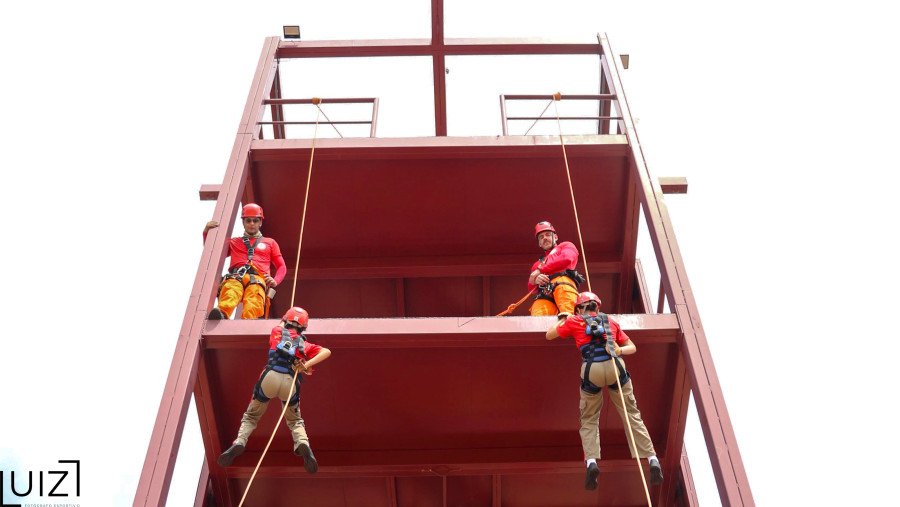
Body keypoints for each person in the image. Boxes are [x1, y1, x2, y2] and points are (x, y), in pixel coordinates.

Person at [546, 291, 663, 490]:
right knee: (631, 414)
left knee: (589, 418)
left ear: (580, 308)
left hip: (592, 369)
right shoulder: (611, 322)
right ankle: (652, 458)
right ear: (597, 306)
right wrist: (618, 350)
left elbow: (549, 335)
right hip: (616, 366)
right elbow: (632, 347)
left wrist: (563, 318)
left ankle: (591, 462)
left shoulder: (575, 321)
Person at [217, 306, 331, 473]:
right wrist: (305, 365)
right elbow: (326, 351)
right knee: (295, 421)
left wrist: (286, 318)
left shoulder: (276, 331)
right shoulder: (305, 345)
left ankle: (240, 441)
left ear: (286, 321)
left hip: (269, 377)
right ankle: (302, 443)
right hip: (289, 383)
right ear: (303, 327)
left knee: (251, 416)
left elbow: (282, 324)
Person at [204, 203, 286, 320]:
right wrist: (207, 232)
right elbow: (211, 252)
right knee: (231, 291)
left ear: (260, 222)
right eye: (248, 221)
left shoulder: (270, 243)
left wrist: (275, 281)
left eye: (255, 220)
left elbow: (281, 266)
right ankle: (222, 313)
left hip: (258, 279)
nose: (252, 224)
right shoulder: (233, 242)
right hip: (236, 276)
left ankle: (248, 322)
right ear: (243, 222)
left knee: (254, 299)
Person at [528, 221, 584, 316]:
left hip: (563, 284)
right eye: (541, 237)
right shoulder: (537, 264)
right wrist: (536, 280)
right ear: (539, 244)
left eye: (548, 235)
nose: (545, 238)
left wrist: (540, 270)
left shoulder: (566, 246)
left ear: (556, 237)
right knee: (538, 318)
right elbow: (530, 288)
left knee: (568, 316)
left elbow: (567, 258)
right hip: (545, 293)